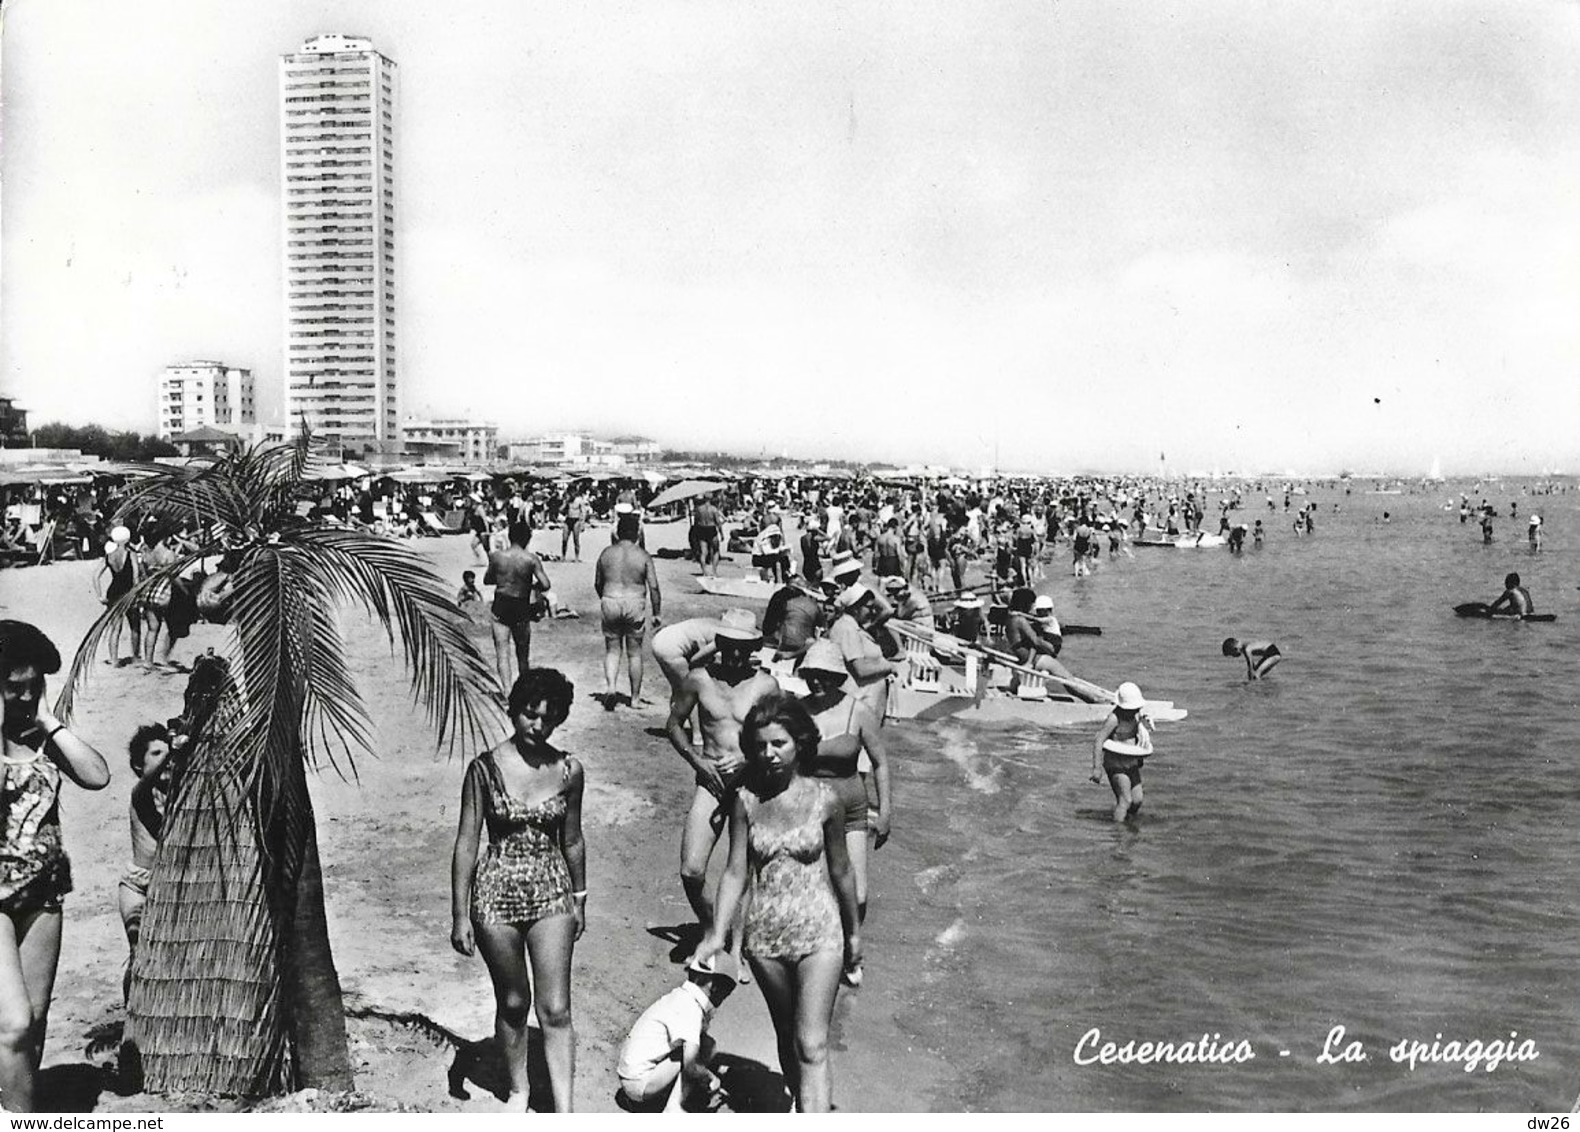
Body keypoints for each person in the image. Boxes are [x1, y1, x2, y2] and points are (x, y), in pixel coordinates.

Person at [690, 694, 860, 1114]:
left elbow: (842, 872)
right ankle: (805, 1107)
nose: (769, 754)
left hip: (821, 934)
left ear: (800, 744)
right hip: (765, 941)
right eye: (761, 745)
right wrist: (716, 935)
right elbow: (734, 872)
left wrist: (855, 934)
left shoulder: (827, 800)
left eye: (779, 744)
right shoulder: (746, 801)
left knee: (813, 1042)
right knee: (788, 1038)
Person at [451, 668, 585, 1113]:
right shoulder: (484, 769)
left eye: (549, 718)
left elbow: (572, 840)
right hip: (495, 898)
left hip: (552, 894)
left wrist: (580, 899)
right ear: (514, 710)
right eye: (530, 714)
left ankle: (565, 1110)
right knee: (512, 1002)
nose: (538, 726)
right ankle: (519, 1090)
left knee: (556, 1008)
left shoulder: (568, 769)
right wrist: (459, 915)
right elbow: (467, 840)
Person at [0, 621, 111, 1111]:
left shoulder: (41, 738)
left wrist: (49, 723)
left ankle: (16, 1105)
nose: (24, 698)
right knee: (15, 1023)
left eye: (33, 687)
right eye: (12, 688)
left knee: (36, 1021)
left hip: (43, 896)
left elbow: (97, 775)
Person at [666, 623, 779, 948]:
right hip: (711, 781)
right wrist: (696, 759)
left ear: (753, 648)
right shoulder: (700, 679)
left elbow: (782, 733)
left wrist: (749, 759)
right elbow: (674, 723)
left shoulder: (765, 684)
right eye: (729, 646)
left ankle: (735, 944)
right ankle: (714, 927)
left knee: (744, 869)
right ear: (720, 644)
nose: (734, 655)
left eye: (742, 649)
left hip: (752, 784)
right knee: (691, 870)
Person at [796, 641, 891, 964]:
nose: (816, 682)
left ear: (836, 677)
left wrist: (886, 812)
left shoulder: (858, 711)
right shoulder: (798, 710)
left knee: (858, 892)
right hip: (809, 807)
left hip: (851, 808)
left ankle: (849, 946)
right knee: (815, 886)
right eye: (811, 675)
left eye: (823, 675)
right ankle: (820, 955)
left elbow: (880, 763)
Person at [616, 953, 738, 1112]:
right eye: (726, 989)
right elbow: (690, 1065)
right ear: (712, 985)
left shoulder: (683, 996)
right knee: (695, 1054)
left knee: (706, 1043)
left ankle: (666, 1096)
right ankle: (674, 1107)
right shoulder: (691, 1008)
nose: (724, 997)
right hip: (638, 1084)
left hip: (633, 1078)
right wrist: (710, 1078)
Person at [120, 723, 177, 1001]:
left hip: (167, 885)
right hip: (139, 884)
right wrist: (173, 751)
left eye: (167, 754)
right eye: (155, 754)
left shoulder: (180, 795)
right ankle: (132, 1012)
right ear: (138, 766)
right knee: (139, 954)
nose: (164, 759)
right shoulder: (140, 793)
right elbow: (148, 782)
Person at [595, 513, 661, 708]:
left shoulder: (606, 553)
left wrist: (606, 599)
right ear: (637, 534)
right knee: (635, 654)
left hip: (611, 599)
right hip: (634, 601)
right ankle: (635, 699)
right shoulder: (643, 555)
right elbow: (654, 587)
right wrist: (657, 612)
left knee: (612, 650)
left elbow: (598, 583)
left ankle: (611, 688)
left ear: (617, 532)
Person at [485, 522, 553, 690]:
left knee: (502, 651)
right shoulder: (531, 559)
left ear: (510, 536)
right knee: (522, 653)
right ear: (527, 538)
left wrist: (503, 580)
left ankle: (507, 691)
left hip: (501, 603)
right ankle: (524, 689)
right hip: (520, 605)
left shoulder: (497, 557)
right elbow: (545, 584)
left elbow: (487, 580)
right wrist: (529, 585)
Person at [1091, 682, 1154, 823]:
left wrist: (1146, 723)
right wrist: (1096, 768)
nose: (1134, 711)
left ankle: (1128, 821)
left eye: (1136, 708)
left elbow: (1140, 730)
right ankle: (1119, 833)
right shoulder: (1114, 719)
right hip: (1116, 764)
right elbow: (1099, 740)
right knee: (1125, 800)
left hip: (1131, 762)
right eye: (1131, 709)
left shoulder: (1136, 715)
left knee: (1137, 800)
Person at [94, 525, 141, 668]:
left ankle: (114, 659)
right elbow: (136, 576)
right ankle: (135, 656)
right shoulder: (130, 554)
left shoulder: (109, 556)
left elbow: (96, 576)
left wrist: (100, 595)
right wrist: (137, 593)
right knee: (135, 626)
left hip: (113, 592)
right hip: (128, 592)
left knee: (115, 628)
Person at [561, 491, 588, 563]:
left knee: (576, 540)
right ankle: (563, 556)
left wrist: (582, 523)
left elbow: (584, 512)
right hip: (568, 520)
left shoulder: (579, 500)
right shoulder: (567, 501)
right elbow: (560, 510)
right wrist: (565, 503)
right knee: (564, 539)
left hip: (576, 520)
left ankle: (576, 557)